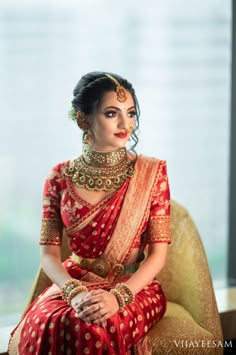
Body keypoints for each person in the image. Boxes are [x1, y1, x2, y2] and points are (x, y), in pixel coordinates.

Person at [8, 71, 171, 355]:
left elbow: (158, 255)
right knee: (50, 322)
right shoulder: (59, 176)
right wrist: (73, 292)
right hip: (74, 284)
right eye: (112, 113)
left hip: (134, 288)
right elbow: (48, 255)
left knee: (92, 328)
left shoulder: (151, 173)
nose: (126, 124)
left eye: (130, 113)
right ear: (84, 119)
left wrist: (118, 298)